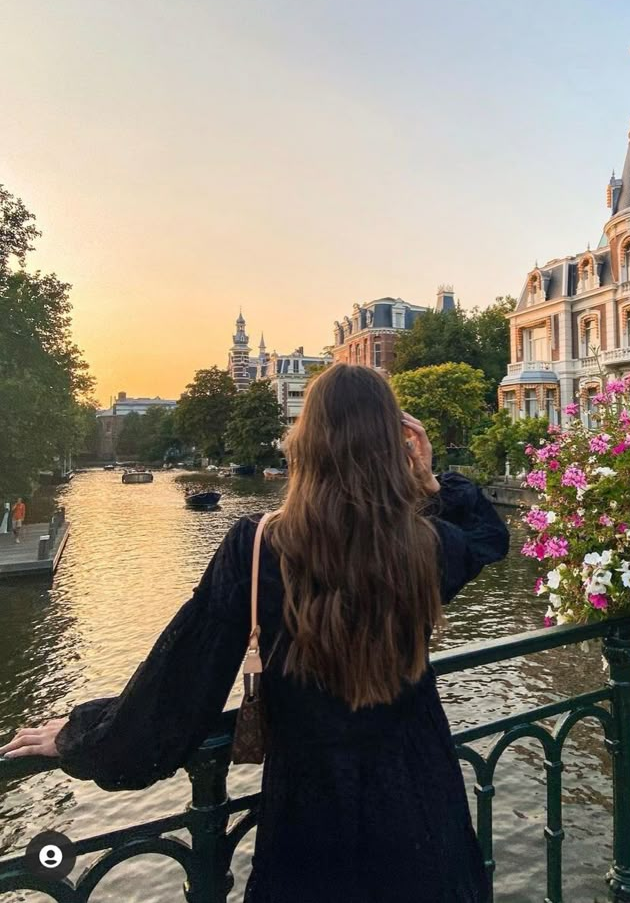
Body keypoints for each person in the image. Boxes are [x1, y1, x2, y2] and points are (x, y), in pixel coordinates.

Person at [0, 364, 509, 903]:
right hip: (421, 797)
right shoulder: (425, 548)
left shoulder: (258, 548)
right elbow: (487, 536)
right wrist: (430, 482)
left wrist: (86, 736)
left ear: (305, 444)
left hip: (313, 810)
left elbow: (181, 685)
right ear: (395, 447)